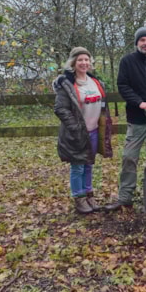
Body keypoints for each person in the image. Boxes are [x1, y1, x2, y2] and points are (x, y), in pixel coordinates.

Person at [107, 27, 146, 214]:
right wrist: (139, 103)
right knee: (129, 156)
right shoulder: (127, 61)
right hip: (137, 118)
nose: (145, 43)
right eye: (142, 40)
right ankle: (125, 197)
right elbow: (123, 85)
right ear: (137, 43)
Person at [53, 46, 113, 214]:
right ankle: (78, 198)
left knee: (88, 165)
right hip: (77, 133)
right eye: (80, 60)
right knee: (77, 166)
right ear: (73, 63)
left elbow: (102, 105)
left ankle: (89, 194)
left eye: (86, 60)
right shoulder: (66, 84)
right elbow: (60, 109)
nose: (84, 63)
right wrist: (76, 127)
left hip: (94, 131)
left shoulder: (95, 82)